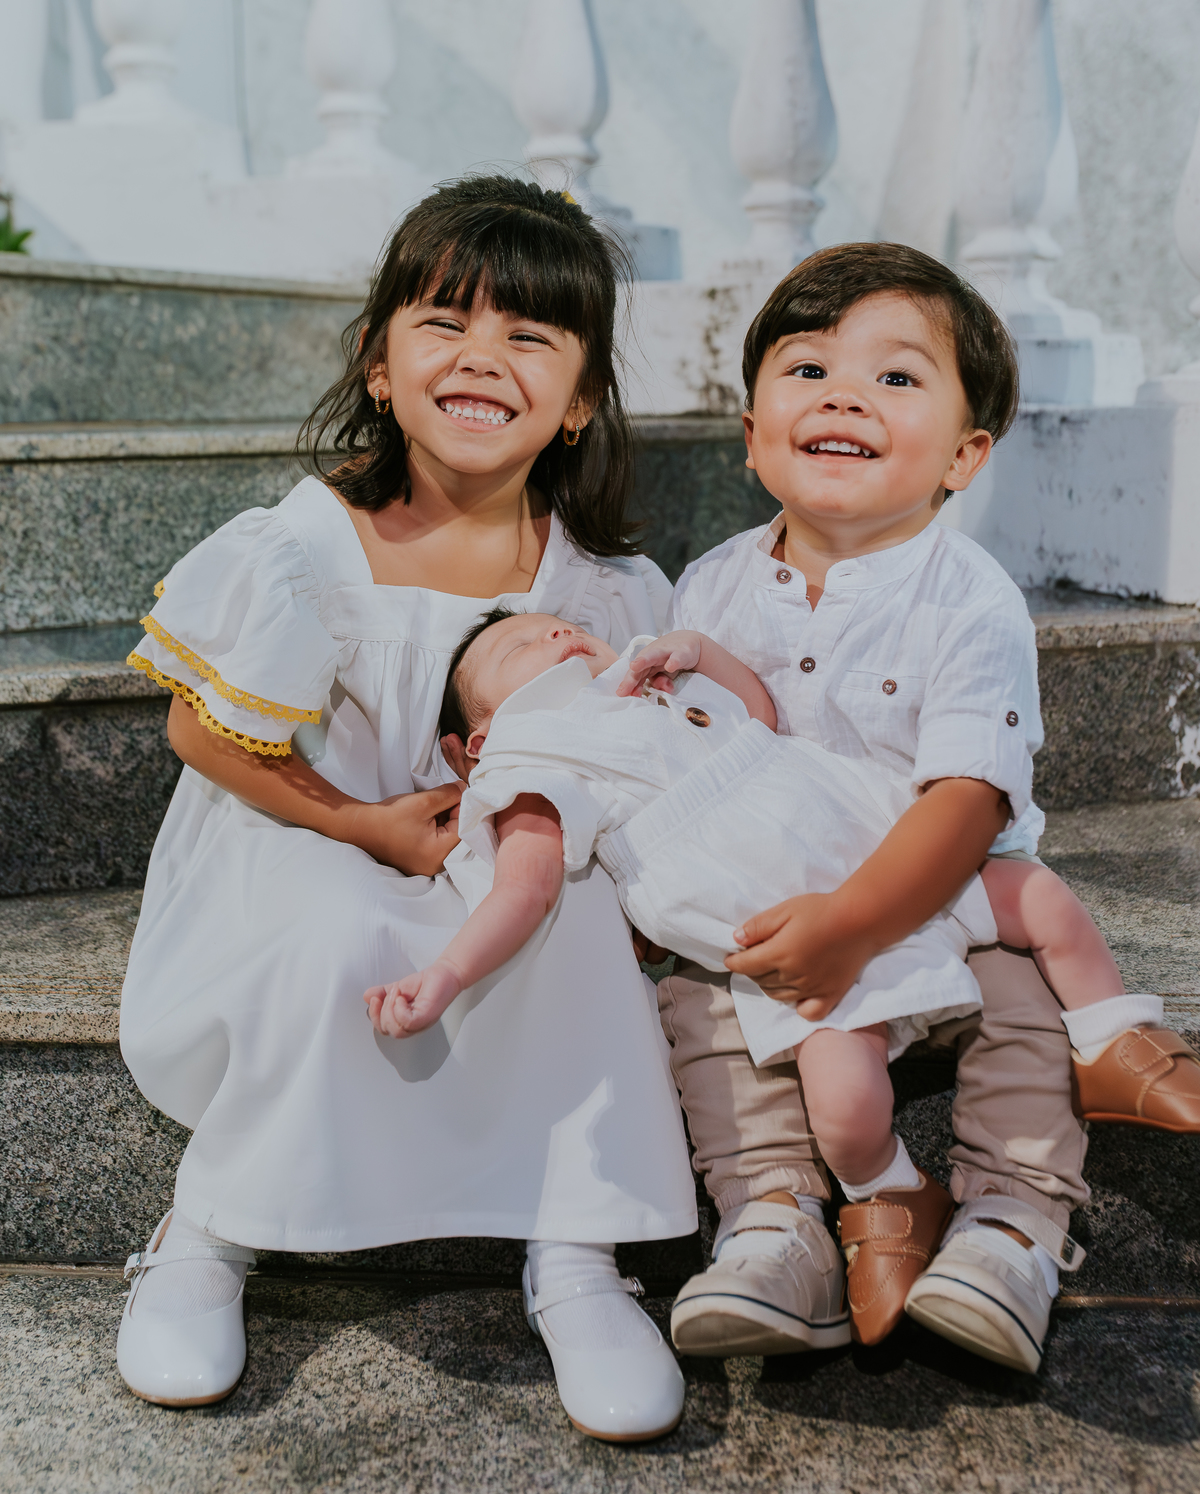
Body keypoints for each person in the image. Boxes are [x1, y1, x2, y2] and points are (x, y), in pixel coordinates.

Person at [116, 176, 695, 1443]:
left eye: (530, 336)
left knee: (574, 918)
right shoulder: (307, 543)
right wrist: (361, 825)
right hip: (308, 833)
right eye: (444, 322)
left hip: (502, 852)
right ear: (380, 365)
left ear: (582, 396)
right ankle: (209, 1226)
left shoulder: (604, 590)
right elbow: (194, 725)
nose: (482, 357)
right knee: (332, 931)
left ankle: (581, 1247)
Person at [655, 242, 1200, 1375]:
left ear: (964, 456)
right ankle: (773, 1220)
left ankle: (1012, 1219)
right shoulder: (707, 586)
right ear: (754, 434)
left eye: (896, 377)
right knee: (704, 1001)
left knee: (1017, 999)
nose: (845, 392)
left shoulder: (972, 602)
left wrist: (854, 924)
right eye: (806, 369)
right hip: (779, 902)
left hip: (945, 897)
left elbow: (962, 803)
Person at [370, 607, 1196, 1345]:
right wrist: (444, 976)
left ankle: (1114, 1041)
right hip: (790, 927)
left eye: (560, 621)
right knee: (843, 1104)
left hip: (874, 843)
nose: (555, 631)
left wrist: (702, 650)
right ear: (477, 743)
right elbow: (527, 884)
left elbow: (759, 713)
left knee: (1040, 895)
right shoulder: (533, 757)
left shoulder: (657, 683)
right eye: (520, 645)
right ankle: (894, 1192)